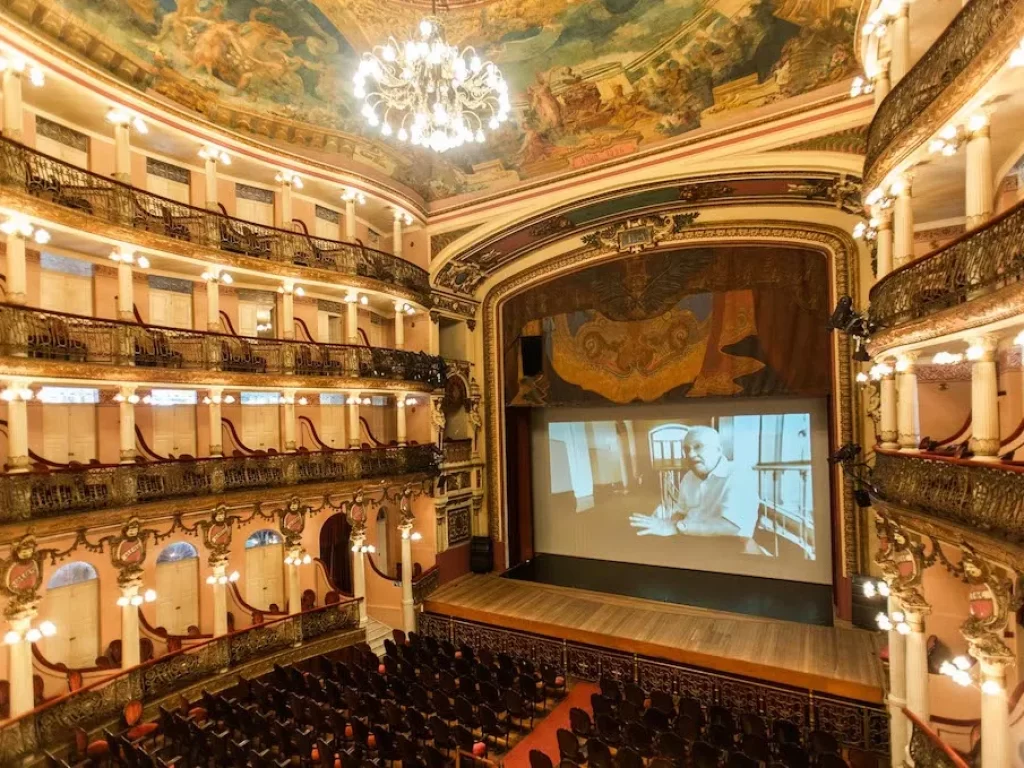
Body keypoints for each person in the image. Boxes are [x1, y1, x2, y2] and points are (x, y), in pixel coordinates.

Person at [629, 426, 761, 551]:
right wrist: (665, 525)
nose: (691, 454)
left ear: (718, 450)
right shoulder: (689, 477)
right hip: (689, 542)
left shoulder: (739, 474)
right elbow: (681, 511)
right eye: (686, 449)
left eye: (698, 447)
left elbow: (733, 527)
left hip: (728, 547)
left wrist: (678, 527)